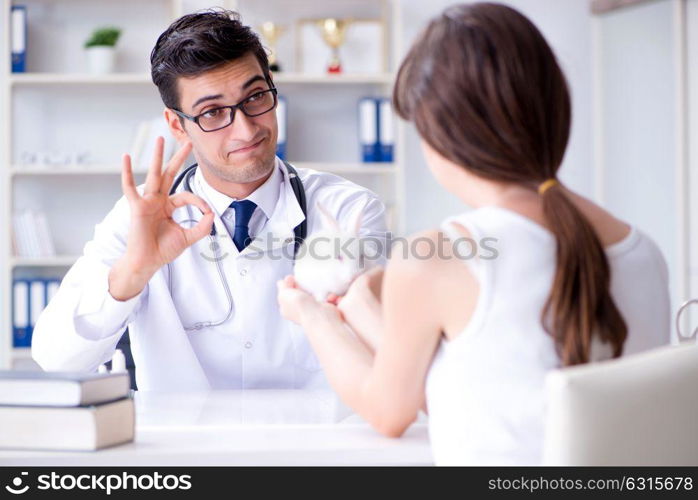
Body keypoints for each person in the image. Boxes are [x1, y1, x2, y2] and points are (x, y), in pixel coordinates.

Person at [277, 2, 671, 465]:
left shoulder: (437, 254)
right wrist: (361, 307)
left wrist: (314, 318)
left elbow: (388, 412)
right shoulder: (643, 249)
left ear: (440, 133)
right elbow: (474, 392)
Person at [31, 10, 388, 391]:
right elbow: (56, 359)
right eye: (213, 112)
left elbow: (382, 352)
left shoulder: (346, 209)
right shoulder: (138, 220)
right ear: (176, 125)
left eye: (255, 97)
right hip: (184, 448)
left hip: (316, 444)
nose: (246, 128)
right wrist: (133, 271)